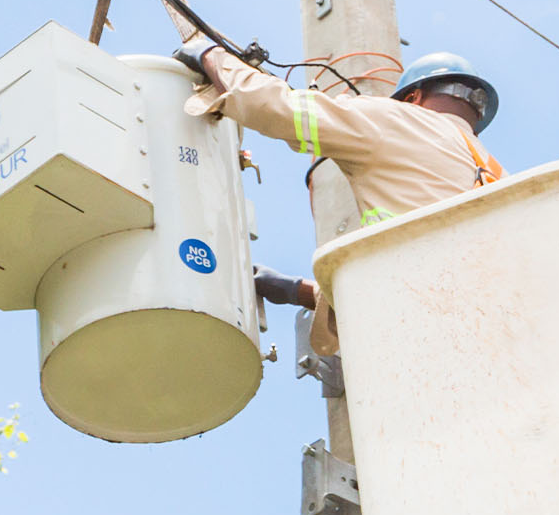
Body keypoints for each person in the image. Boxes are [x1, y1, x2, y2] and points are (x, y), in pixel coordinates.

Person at [176, 40, 506, 343]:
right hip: (495, 332)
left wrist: (212, 57)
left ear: (412, 97)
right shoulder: (499, 177)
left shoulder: (398, 120)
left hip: (424, 327)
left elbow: (282, 109)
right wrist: (297, 291)